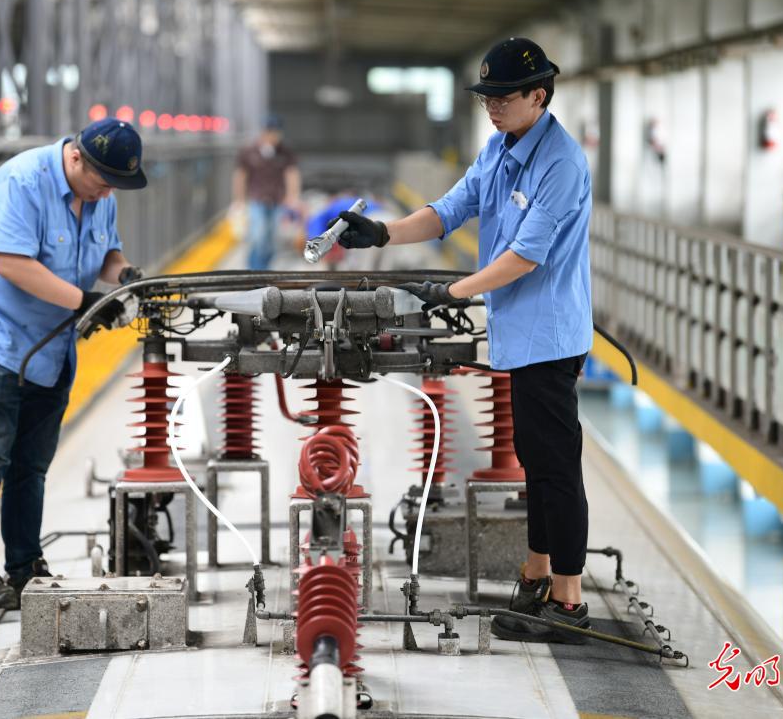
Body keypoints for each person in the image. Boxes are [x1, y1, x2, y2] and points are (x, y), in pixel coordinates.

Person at [333, 38, 593, 643]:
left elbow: (525, 256)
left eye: (503, 97)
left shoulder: (561, 163)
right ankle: (536, 577)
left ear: (539, 95)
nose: (492, 107)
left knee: (556, 469)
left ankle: (569, 603)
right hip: (520, 333)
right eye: (486, 99)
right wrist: (383, 232)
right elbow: (449, 210)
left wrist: (455, 292)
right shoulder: (500, 150)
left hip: (549, 337)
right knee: (536, 460)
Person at [0, 118, 145, 609]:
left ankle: (25, 566)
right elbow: (11, 262)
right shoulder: (22, 180)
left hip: (50, 348)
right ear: (75, 157)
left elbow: (107, 253)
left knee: (30, 465)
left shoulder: (100, 193)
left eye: (113, 187)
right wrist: (84, 302)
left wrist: (125, 276)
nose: (106, 194)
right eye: (102, 182)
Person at [232, 114, 303, 269]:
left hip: (278, 199)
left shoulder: (285, 152)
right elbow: (241, 176)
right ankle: (254, 269)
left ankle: (266, 268)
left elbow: (291, 174)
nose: (273, 136)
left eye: (276, 132)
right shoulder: (249, 151)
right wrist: (239, 200)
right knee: (258, 235)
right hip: (257, 199)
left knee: (272, 238)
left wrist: (293, 196)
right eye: (269, 131)